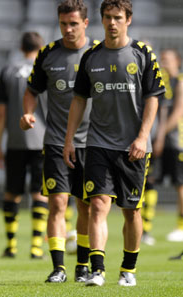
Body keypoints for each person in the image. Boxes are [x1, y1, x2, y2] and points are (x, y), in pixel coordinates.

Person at [64, 0, 165, 287]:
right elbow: (80, 99)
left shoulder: (143, 54)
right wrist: (70, 139)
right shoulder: (91, 56)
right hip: (98, 143)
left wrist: (143, 137)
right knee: (97, 205)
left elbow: (153, 99)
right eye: (107, 17)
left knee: (131, 210)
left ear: (128, 20)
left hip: (133, 147)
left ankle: (128, 270)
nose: (111, 23)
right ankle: (97, 269)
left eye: (117, 17)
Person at [20, 0, 94, 283]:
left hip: (91, 143)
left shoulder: (97, 54)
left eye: (74, 23)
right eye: (63, 23)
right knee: (58, 204)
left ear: (85, 23)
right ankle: (59, 267)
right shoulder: (48, 54)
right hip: (55, 141)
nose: (68, 29)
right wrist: (28, 113)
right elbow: (32, 90)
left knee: (86, 205)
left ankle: (83, 265)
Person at [0, 32, 49, 260]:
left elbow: (1, 113)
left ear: (20, 46)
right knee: (40, 193)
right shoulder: (46, 69)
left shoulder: (8, 70)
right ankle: (36, 246)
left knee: (11, 193)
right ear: (41, 47)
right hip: (43, 141)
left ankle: (11, 245)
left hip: (15, 140)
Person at [152, 49, 183, 243]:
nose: (164, 63)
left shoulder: (180, 81)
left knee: (180, 184)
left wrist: (159, 135)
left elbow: (178, 112)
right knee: (154, 180)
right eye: (162, 60)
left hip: (177, 141)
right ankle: (147, 227)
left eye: (168, 60)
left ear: (177, 61)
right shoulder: (163, 82)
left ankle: (181, 226)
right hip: (163, 140)